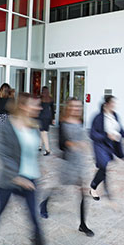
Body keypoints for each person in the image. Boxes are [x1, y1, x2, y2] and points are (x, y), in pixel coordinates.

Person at [0, 93, 53, 245]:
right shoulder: (7, 126)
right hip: (9, 181)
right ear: (23, 106)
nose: (39, 108)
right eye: (35, 105)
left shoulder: (33, 125)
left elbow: (32, 151)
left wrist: (39, 167)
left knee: (35, 221)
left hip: (30, 181)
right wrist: (17, 177)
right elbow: (2, 154)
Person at [39, 98, 94, 236]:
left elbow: (82, 138)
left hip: (79, 162)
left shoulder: (80, 121)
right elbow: (61, 145)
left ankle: (83, 224)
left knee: (83, 193)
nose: (76, 109)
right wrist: (73, 144)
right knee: (59, 188)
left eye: (79, 106)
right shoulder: (63, 123)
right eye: (74, 106)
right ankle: (44, 203)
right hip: (68, 162)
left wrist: (84, 146)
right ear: (69, 107)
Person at [89, 95, 124, 200]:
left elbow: (121, 131)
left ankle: (96, 186)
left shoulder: (115, 116)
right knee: (103, 167)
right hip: (100, 145)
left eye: (114, 103)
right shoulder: (98, 118)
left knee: (103, 167)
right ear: (106, 104)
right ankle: (93, 188)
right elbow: (92, 134)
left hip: (110, 146)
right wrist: (106, 135)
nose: (114, 105)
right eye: (112, 103)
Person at [38, 86, 55, 156]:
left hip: (41, 116)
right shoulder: (50, 99)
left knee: (43, 132)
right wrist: (53, 118)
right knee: (43, 132)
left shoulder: (40, 98)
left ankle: (47, 150)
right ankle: (40, 146)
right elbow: (53, 110)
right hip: (48, 116)